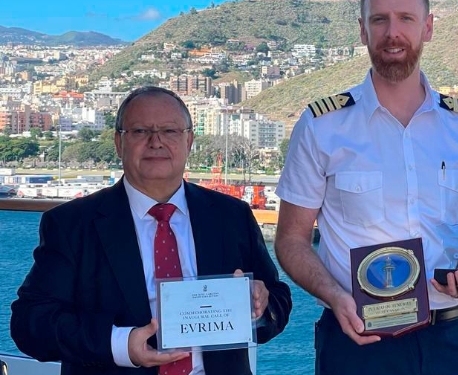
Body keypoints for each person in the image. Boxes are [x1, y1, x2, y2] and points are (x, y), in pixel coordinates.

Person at [273, 0, 458, 375]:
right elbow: (290, 239)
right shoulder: (323, 125)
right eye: (379, 20)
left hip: (452, 342)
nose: (392, 33)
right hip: (358, 340)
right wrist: (335, 295)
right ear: (362, 30)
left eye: (406, 19)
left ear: (427, 27)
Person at [11, 86, 292, 375]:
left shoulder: (231, 216)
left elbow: (278, 302)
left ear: (189, 141)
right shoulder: (72, 225)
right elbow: (30, 323)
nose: (156, 142)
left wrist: (258, 307)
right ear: (119, 143)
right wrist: (120, 344)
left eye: (170, 131)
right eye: (141, 131)